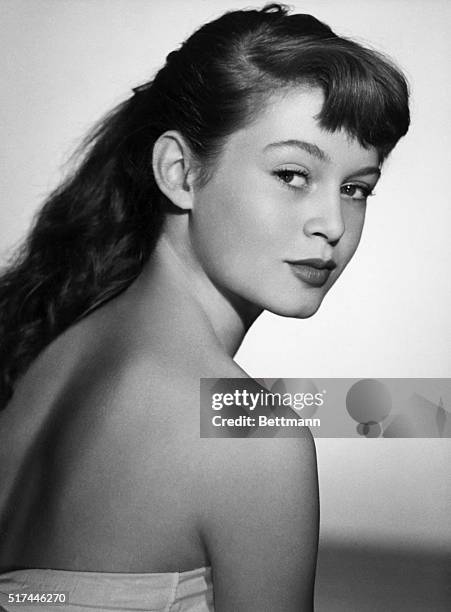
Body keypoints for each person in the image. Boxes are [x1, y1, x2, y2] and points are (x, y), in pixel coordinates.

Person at [0, 3, 409, 610]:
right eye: (294, 174)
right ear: (180, 172)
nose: (332, 224)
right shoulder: (250, 433)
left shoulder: (46, 358)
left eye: (356, 189)